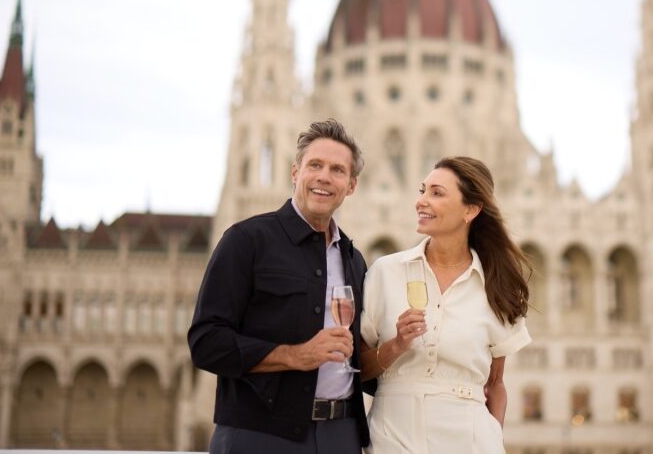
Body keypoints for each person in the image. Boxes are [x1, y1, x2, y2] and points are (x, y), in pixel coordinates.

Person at [189, 119, 370, 453]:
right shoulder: (246, 241)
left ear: (352, 185)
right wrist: (295, 355)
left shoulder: (353, 260)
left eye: (337, 170)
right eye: (315, 165)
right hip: (260, 434)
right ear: (295, 172)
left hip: (340, 435)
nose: (324, 177)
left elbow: (359, 360)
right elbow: (206, 342)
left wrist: (398, 346)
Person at [359, 156, 533, 454]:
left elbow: (495, 384)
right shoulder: (385, 272)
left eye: (436, 193)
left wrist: (492, 436)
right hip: (393, 437)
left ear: (471, 209)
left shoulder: (496, 287)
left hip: (470, 440)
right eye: (422, 190)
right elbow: (358, 369)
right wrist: (396, 345)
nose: (421, 201)